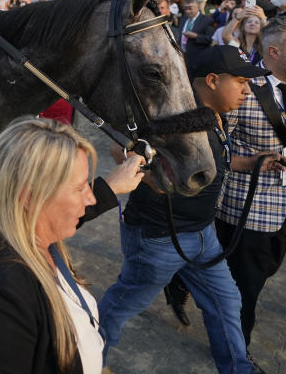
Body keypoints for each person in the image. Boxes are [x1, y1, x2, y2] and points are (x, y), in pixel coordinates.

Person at [99, 46, 271, 374]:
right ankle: (81, 358)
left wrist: (254, 163)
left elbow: (212, 162)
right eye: (240, 81)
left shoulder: (216, 116)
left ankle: (238, 369)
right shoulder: (167, 113)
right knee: (122, 305)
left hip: (204, 234)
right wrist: (148, 175)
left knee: (226, 303)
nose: (247, 90)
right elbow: (118, 147)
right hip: (158, 238)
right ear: (211, 80)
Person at [0, 116, 145, 374]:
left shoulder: (32, 239)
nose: (90, 198)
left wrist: (110, 187)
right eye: (80, 188)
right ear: (30, 196)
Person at [215, 16, 286, 370]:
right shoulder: (242, 86)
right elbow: (214, 148)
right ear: (275, 52)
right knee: (245, 291)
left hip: (283, 204)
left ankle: (183, 281)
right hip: (243, 207)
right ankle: (236, 355)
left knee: (264, 271)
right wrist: (252, 161)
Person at [179, 0, 214, 68]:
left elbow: (210, 39)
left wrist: (196, 36)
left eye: (190, 8)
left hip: (198, 58)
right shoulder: (183, 19)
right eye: (185, 8)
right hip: (183, 57)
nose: (187, 11)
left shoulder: (207, 20)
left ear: (197, 8)